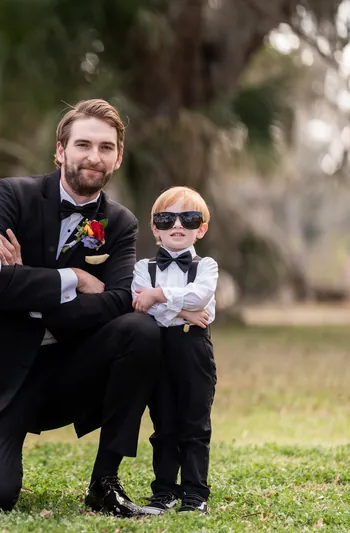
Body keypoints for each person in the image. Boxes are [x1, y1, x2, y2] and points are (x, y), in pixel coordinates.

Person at [0, 99, 161, 515]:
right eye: (83, 145)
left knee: (140, 330)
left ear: (117, 157)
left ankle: (105, 483)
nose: (93, 157)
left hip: (71, 371)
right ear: (60, 150)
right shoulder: (11, 194)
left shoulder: (121, 222)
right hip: (4, 375)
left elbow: (118, 301)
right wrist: (73, 280)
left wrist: (33, 290)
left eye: (105, 147)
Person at [131, 186, 218, 514]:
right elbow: (139, 302)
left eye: (189, 218)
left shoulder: (207, 266)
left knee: (195, 424)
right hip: (158, 349)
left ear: (201, 228)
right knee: (163, 423)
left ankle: (195, 495)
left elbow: (202, 299)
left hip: (194, 351)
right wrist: (182, 310)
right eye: (167, 218)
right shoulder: (144, 267)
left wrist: (158, 296)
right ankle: (164, 491)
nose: (177, 225)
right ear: (155, 228)